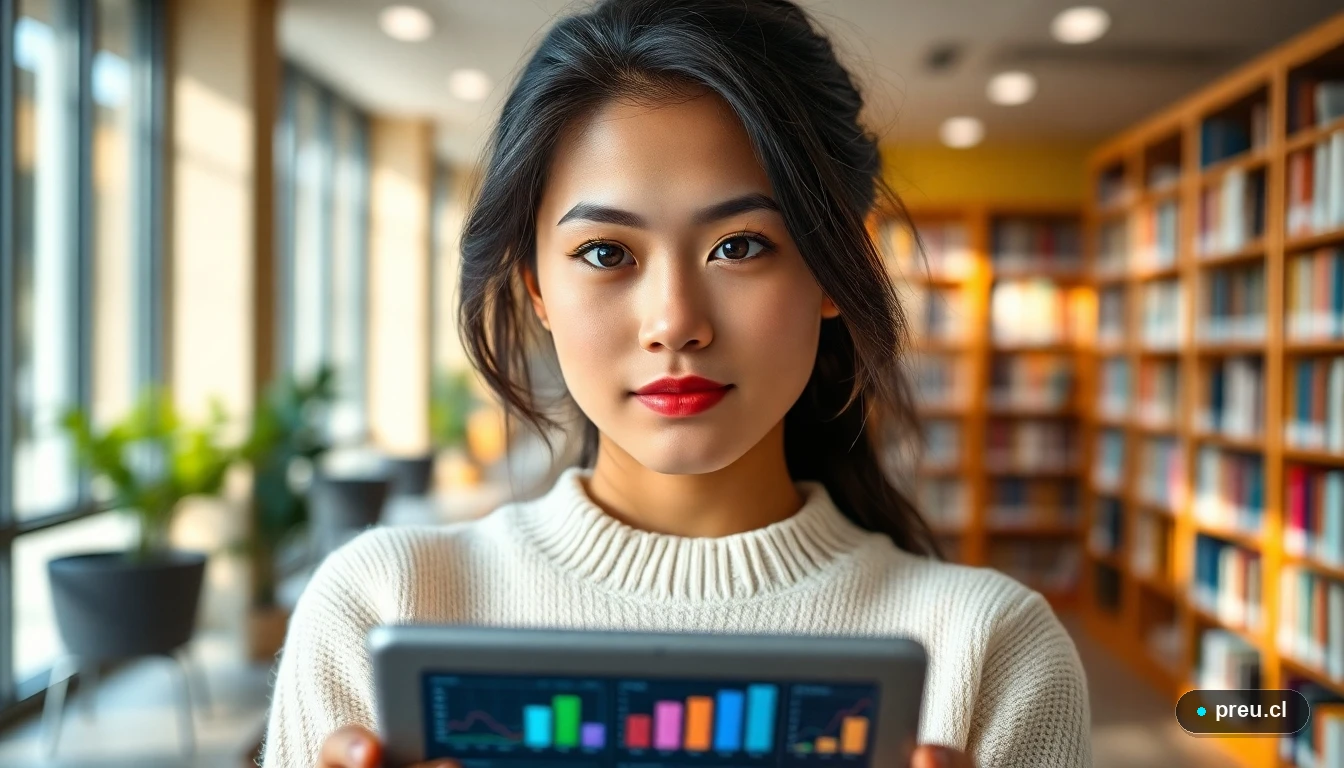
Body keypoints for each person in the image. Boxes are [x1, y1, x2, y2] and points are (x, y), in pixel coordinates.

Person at [261, 0, 1093, 766]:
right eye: (605, 253)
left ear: (836, 265)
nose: (675, 321)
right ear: (536, 289)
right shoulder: (381, 608)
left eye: (739, 245)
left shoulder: (987, 654)